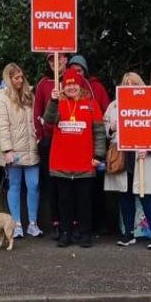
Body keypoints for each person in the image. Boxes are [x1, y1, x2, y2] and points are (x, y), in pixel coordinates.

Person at [103, 72, 151, 250]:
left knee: (147, 196)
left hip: (143, 156)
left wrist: (149, 148)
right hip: (124, 155)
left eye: (133, 83)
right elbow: (105, 127)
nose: (129, 86)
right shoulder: (114, 106)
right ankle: (128, 233)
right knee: (125, 195)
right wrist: (111, 128)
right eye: (126, 83)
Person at [43, 68, 105, 248]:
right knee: (64, 203)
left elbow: (99, 132)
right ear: (63, 87)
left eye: (74, 84)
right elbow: (48, 121)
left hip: (84, 163)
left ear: (80, 86)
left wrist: (98, 155)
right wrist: (53, 101)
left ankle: (85, 234)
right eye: (67, 85)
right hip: (61, 163)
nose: (71, 88)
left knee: (84, 202)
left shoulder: (92, 104)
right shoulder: (58, 103)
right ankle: (65, 233)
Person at [0, 63, 42, 238]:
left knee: (34, 185)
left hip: (31, 148)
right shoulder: (1, 99)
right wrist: (7, 150)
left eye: (21, 76)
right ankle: (17, 224)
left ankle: (33, 224)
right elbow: (3, 126)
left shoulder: (30, 95)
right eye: (15, 77)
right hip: (13, 150)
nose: (20, 80)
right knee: (14, 186)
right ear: (8, 78)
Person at [68, 54, 112, 236]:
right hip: (76, 149)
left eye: (80, 70)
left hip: (95, 146)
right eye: (74, 70)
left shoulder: (97, 88)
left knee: (97, 189)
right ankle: (80, 225)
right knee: (78, 192)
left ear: (85, 71)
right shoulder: (67, 91)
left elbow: (106, 113)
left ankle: (99, 224)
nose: (77, 73)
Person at [33, 53, 67, 238]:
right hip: (49, 140)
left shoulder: (73, 81)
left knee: (70, 183)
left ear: (65, 60)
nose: (55, 62)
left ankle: (72, 222)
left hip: (70, 139)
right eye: (51, 60)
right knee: (52, 183)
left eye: (59, 58)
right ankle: (55, 222)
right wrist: (40, 137)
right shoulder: (43, 84)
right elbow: (36, 111)